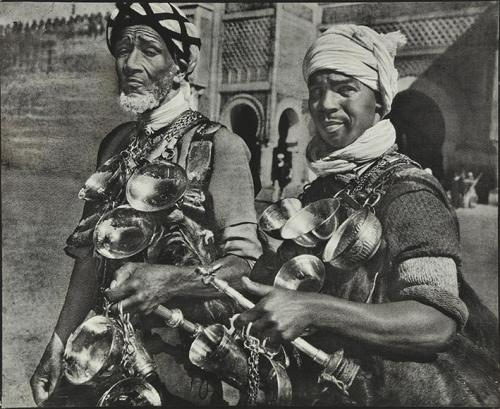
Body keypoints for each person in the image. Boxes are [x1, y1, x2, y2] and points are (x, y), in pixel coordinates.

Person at [236, 24, 500, 406]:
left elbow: (435, 322)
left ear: (378, 101)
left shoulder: (408, 192)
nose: (325, 104)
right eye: (316, 91)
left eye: (345, 89)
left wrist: (314, 310)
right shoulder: (322, 189)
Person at [30, 2, 261, 406]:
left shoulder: (219, 146)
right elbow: (88, 259)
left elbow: (246, 266)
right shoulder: (117, 143)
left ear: (182, 66)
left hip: (176, 372)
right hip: (98, 357)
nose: (130, 63)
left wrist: (169, 280)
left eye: (150, 51)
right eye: (123, 49)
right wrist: (57, 345)